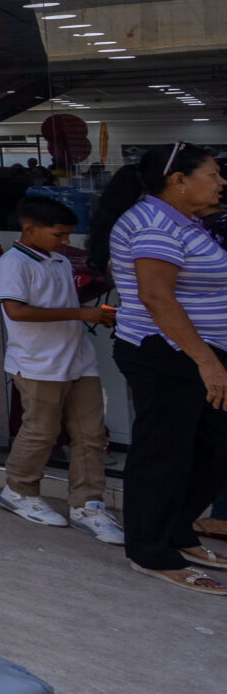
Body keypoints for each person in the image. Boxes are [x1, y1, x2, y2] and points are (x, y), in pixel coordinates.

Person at [88, 142, 227, 590]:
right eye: (213, 174)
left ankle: (177, 531)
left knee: (213, 448)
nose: (222, 182)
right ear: (179, 180)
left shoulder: (184, 221)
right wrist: (207, 362)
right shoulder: (153, 225)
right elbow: (156, 298)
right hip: (167, 354)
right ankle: (150, 551)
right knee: (164, 454)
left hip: (197, 353)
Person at [0, 195, 122, 543]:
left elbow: (59, 303)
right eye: (59, 234)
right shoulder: (13, 263)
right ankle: (19, 491)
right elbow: (16, 311)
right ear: (29, 229)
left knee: (91, 434)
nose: (66, 241)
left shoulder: (59, 260)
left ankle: (88, 505)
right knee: (41, 432)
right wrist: (83, 313)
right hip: (38, 363)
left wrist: (96, 314)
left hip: (78, 358)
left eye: (68, 234)